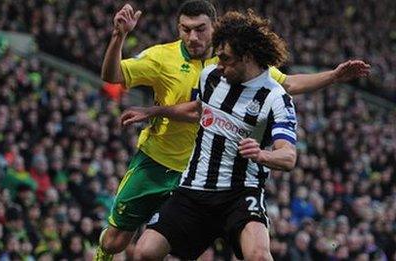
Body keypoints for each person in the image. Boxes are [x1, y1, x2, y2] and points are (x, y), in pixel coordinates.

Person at [96, 0, 370, 259]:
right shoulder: (189, 67)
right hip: (165, 164)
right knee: (120, 244)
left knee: (245, 253)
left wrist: (334, 76)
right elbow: (194, 108)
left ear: (216, 29)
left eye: (201, 29)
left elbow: (290, 91)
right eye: (186, 29)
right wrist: (150, 107)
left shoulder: (257, 81)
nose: (193, 37)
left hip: (223, 182)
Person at [130, 10, 297, 260]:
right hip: (195, 188)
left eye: (226, 59)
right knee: (145, 252)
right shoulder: (211, 77)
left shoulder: (276, 98)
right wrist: (154, 110)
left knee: (260, 257)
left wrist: (262, 154)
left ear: (247, 57)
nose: (218, 65)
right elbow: (198, 109)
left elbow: (288, 156)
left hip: (241, 193)